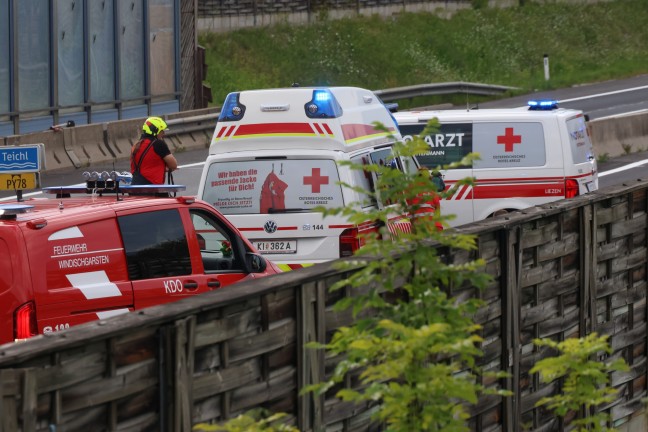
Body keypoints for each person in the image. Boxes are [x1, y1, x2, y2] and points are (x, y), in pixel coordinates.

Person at [130, 116, 178, 185]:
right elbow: (173, 165)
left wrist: (161, 168)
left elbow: (144, 166)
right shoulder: (158, 144)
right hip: (152, 189)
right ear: (155, 131)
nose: (164, 133)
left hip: (135, 186)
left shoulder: (136, 145)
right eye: (162, 131)